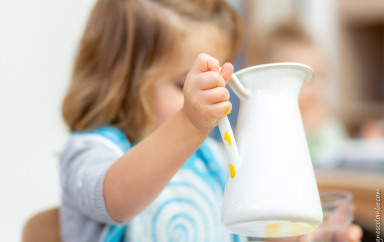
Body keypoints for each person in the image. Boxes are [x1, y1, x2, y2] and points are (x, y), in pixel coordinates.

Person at [60, 0, 244, 241]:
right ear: (122, 83)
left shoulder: (214, 159)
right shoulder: (91, 152)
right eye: (182, 84)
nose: (211, 95)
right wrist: (188, 122)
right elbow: (118, 201)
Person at [257, 20, 349, 167]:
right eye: (306, 78)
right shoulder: (263, 125)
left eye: (321, 76)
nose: (317, 87)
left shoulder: (327, 126)